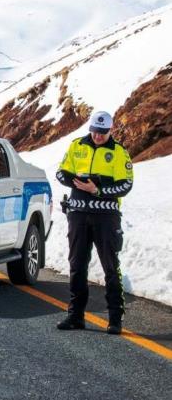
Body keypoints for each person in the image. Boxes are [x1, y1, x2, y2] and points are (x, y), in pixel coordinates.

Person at [55, 111, 134, 335]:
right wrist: (77, 183)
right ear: (90, 128)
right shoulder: (76, 145)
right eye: (95, 131)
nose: (98, 136)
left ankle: (115, 319)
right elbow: (61, 173)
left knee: (110, 266)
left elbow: (126, 185)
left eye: (103, 132)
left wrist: (97, 190)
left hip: (106, 218)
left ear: (111, 130)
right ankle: (75, 316)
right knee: (77, 265)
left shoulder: (119, 152)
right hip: (78, 214)